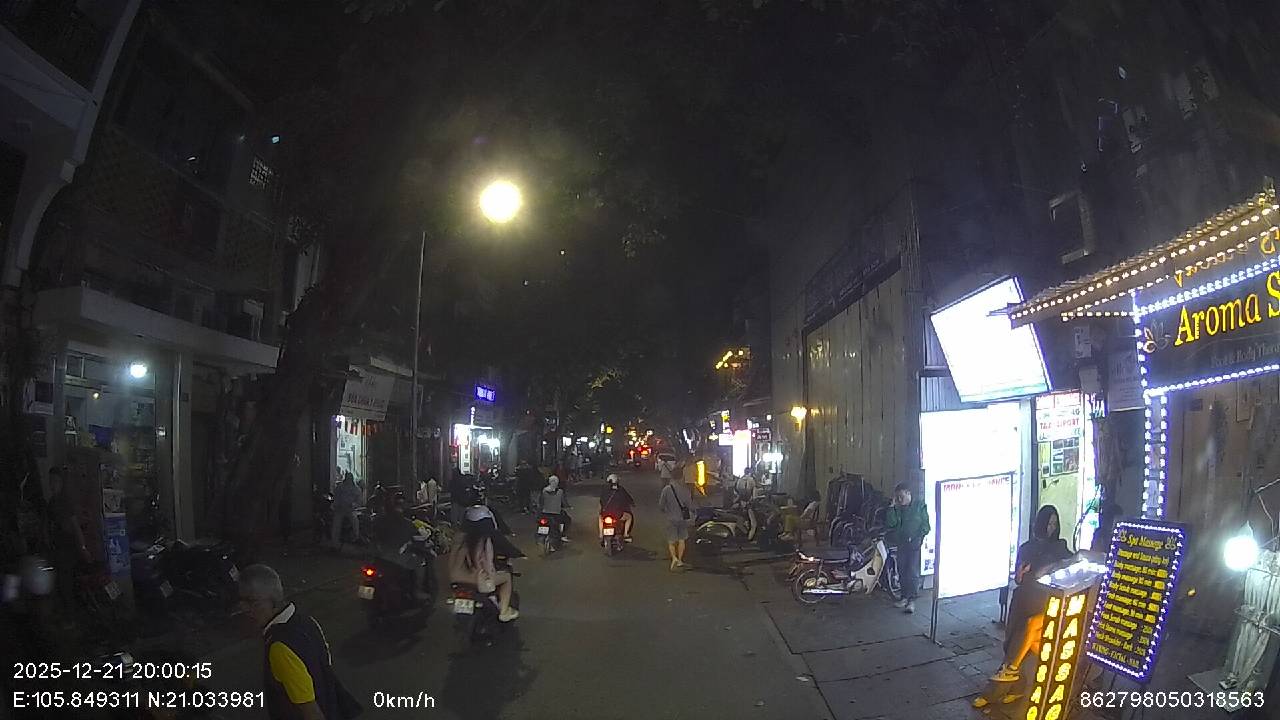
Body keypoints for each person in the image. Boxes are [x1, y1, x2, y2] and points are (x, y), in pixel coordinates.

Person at [239, 564, 358, 720]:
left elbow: (310, 710)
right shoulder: (307, 621)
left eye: (252, 602)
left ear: (273, 600)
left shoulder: (280, 647)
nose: (245, 609)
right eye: (242, 601)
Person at [988, 505, 1073, 684]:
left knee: (1027, 637)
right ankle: (1014, 677)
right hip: (1023, 598)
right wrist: (1021, 573)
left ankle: (1013, 671)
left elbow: (1070, 563)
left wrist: (1051, 568)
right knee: (1014, 639)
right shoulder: (1027, 548)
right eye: (1048, 524)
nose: (1051, 528)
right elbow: (1019, 579)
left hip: (1042, 599)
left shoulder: (1059, 547)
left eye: (1054, 524)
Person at [449, 507, 519, 622]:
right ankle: (504, 611)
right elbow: (485, 562)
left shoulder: (459, 538)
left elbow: (452, 559)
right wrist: (490, 576)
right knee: (506, 577)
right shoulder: (484, 540)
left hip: (456, 578)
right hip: (477, 579)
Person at [370, 493, 431, 601]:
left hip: (378, 556)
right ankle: (417, 591)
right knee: (421, 562)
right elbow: (416, 538)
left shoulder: (379, 520)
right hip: (396, 558)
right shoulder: (407, 524)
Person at [884, 482, 929, 614]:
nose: (899, 499)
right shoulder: (898, 508)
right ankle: (904, 597)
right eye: (897, 497)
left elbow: (926, 526)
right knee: (902, 570)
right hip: (901, 543)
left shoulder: (919, 506)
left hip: (914, 544)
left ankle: (912, 600)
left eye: (901, 496)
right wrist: (892, 508)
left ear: (908, 493)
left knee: (912, 571)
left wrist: (918, 537)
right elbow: (891, 523)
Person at [658, 474, 695, 572]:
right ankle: (680, 560)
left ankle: (674, 558)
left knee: (671, 541)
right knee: (682, 539)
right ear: (682, 477)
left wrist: (666, 510)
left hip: (671, 518)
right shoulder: (686, 490)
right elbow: (690, 505)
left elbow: (661, 505)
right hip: (682, 519)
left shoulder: (666, 489)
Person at [598, 473, 635, 544]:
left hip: (605, 514)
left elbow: (601, 501)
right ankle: (626, 534)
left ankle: (601, 534)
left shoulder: (604, 490)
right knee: (629, 517)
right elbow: (628, 498)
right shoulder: (621, 490)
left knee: (600, 518)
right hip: (618, 514)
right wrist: (632, 503)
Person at [537, 476, 572, 544]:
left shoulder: (544, 491)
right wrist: (568, 506)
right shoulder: (560, 492)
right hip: (556, 514)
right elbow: (564, 502)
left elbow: (541, 502)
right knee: (567, 520)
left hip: (545, 514)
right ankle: (562, 535)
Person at [330, 473, 361, 549]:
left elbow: (358, 501)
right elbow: (336, 497)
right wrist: (336, 505)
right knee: (336, 523)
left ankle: (355, 537)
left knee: (355, 520)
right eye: (347, 478)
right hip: (340, 509)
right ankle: (334, 542)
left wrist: (353, 505)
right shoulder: (340, 487)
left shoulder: (356, 489)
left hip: (350, 510)